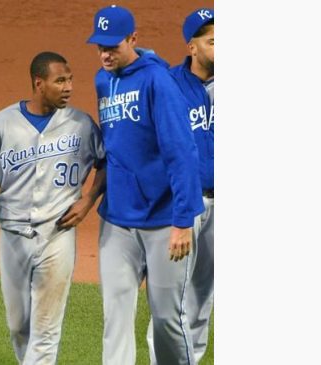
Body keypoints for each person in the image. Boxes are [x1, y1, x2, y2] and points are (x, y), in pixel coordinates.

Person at [0, 51, 106, 364]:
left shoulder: (81, 124)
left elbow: (107, 162)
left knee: (46, 331)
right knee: (19, 326)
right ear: (39, 84)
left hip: (58, 235)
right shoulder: (2, 123)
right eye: (60, 81)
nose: (68, 87)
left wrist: (89, 199)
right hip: (12, 237)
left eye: (70, 80)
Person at [86, 5, 204, 365]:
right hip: (117, 221)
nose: (105, 54)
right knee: (115, 318)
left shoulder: (158, 81)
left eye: (113, 46)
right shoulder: (102, 80)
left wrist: (183, 221)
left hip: (164, 221)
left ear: (133, 39)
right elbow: (114, 146)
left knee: (168, 320)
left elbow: (181, 152)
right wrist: (93, 197)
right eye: (100, 46)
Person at [147, 8, 215, 364]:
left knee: (202, 299)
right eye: (213, 41)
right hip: (183, 207)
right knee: (169, 303)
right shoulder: (169, 86)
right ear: (192, 46)